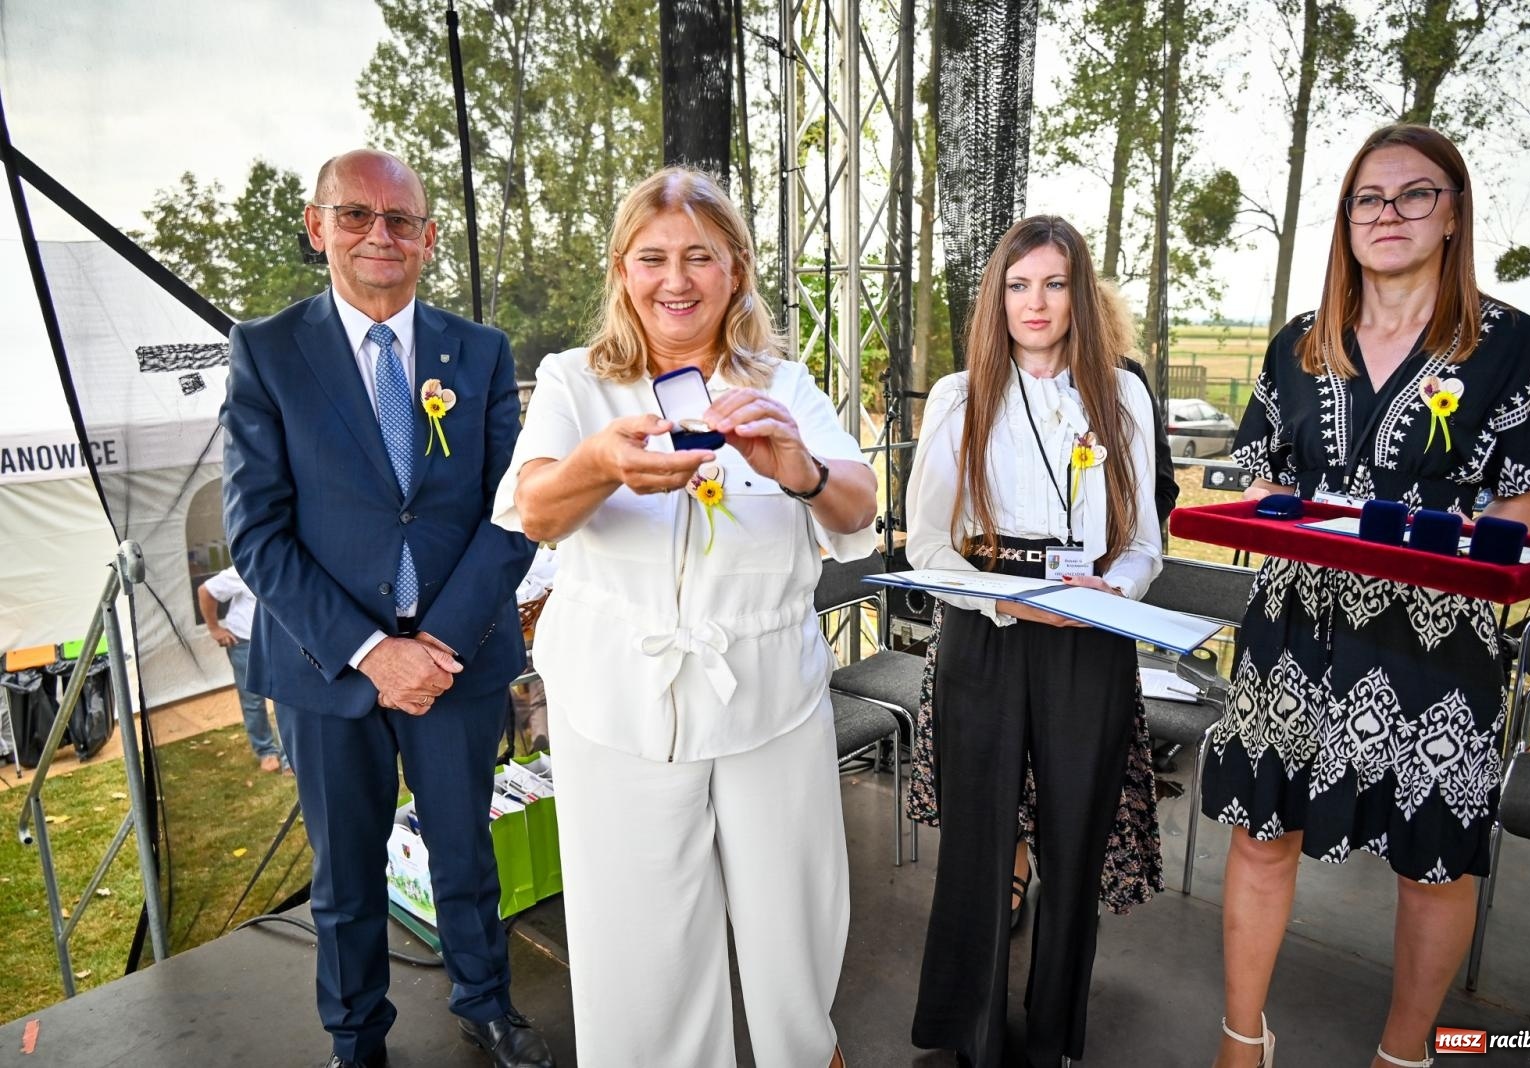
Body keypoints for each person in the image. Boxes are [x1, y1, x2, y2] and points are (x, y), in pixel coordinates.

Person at [1201, 124, 1530, 1068]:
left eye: (1415, 194)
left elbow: (1524, 494)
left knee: (1433, 860)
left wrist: (1455, 556)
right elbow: (1261, 477)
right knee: (1261, 830)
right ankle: (1242, 1041)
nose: (1389, 213)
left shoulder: (1510, 345)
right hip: (1294, 623)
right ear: (1346, 219)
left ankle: (1403, 1055)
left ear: (1452, 214)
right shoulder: (1298, 344)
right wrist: (1298, 522)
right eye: (1368, 197)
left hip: (1437, 634)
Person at [494, 166, 877, 1067]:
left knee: (792, 915)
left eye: (700, 256)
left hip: (768, 698)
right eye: (653, 257)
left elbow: (858, 505)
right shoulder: (574, 382)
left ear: (735, 269)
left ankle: (803, 1052)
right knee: (639, 940)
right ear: (621, 270)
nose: (677, 279)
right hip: (618, 701)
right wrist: (599, 464)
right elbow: (535, 510)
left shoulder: (782, 383)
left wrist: (799, 469)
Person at [221, 149, 550, 1068]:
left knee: (465, 855)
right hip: (329, 668)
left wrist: (436, 642)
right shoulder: (268, 352)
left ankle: (487, 1008)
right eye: (356, 214)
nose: (380, 234)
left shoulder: (479, 352)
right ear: (316, 226)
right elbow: (257, 534)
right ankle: (356, 1036)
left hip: (455, 660)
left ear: (428, 238)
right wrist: (372, 651)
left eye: (401, 219)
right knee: (345, 876)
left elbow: (514, 512)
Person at [906, 215, 1163, 1067]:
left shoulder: (1122, 395)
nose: (1036, 302)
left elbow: (1144, 543)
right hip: (985, 626)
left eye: (1054, 283)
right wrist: (1006, 602)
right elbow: (928, 546)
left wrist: (1112, 594)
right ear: (998, 298)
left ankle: (1053, 1036)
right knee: (978, 841)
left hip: (1089, 630)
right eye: (1018, 285)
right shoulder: (959, 396)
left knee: (1075, 839)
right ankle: (969, 1035)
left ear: (1080, 293)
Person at [197, 565, 286, 773]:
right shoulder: (245, 567)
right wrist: (214, 629)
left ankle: (289, 757)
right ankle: (266, 751)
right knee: (253, 700)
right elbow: (206, 591)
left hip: (280, 642)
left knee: (286, 699)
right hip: (245, 643)